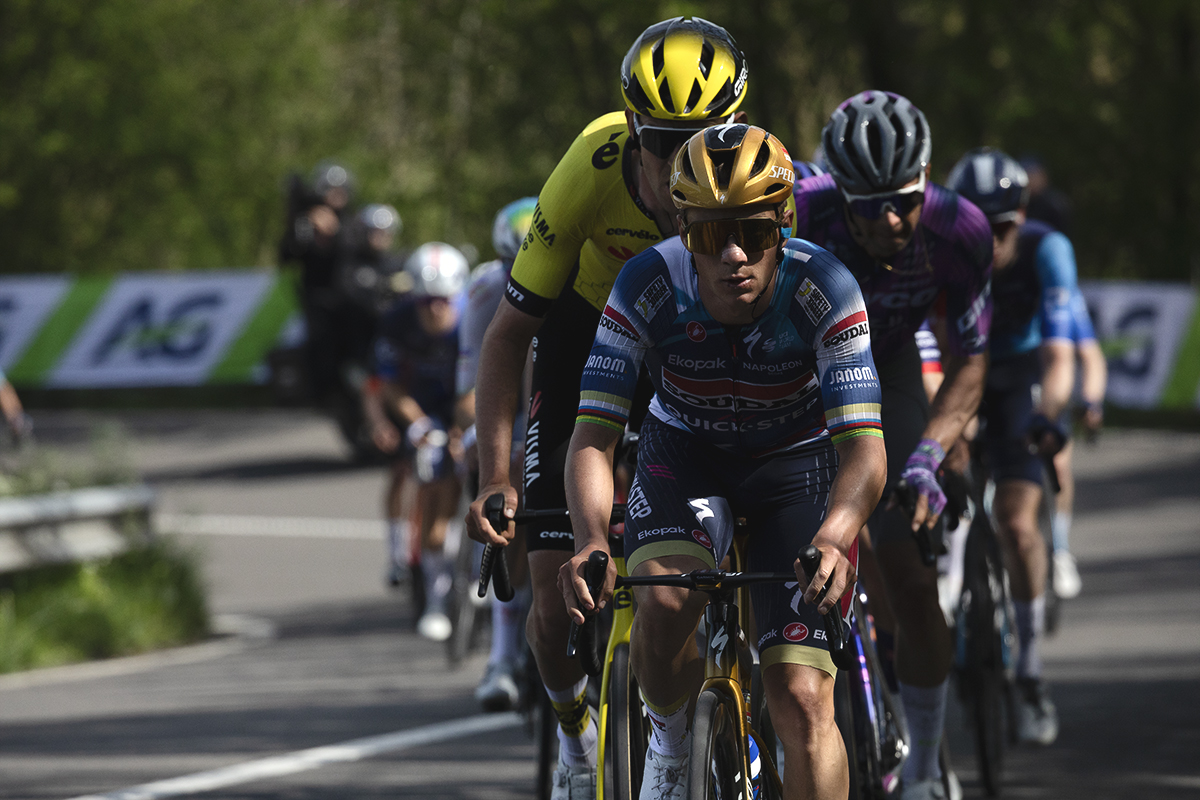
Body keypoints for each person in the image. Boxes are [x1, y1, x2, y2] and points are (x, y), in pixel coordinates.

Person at [465, 17, 752, 799]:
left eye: (703, 139)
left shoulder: (758, 173)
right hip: (588, 330)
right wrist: (497, 478)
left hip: (697, 339)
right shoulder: (590, 167)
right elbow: (506, 338)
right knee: (555, 597)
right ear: (630, 130)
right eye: (662, 143)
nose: (680, 164)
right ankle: (571, 732)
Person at [561, 124, 886, 800]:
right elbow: (593, 436)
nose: (734, 254)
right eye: (711, 235)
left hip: (794, 467)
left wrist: (834, 535)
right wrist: (591, 538)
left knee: (802, 697)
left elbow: (864, 448)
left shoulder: (824, 286)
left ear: (783, 223)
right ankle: (672, 749)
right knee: (664, 597)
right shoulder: (646, 283)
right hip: (687, 453)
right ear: (684, 230)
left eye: (756, 233)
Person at [794, 91, 994, 800]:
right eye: (867, 204)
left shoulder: (959, 229)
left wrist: (931, 454)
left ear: (928, 179)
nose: (887, 221)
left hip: (886, 369)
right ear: (835, 191)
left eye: (902, 202)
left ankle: (924, 767)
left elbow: (971, 358)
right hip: (795, 373)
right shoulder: (798, 209)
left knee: (909, 577)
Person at [948, 146, 1080, 745]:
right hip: (960, 373)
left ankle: (1029, 668)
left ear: (1022, 218)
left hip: (1022, 374)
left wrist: (1049, 415)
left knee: (1018, 526)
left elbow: (1060, 353)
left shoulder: (1048, 249)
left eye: (1002, 226)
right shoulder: (945, 250)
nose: (991, 239)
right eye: (978, 223)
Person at [456, 197, 539, 711]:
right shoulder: (486, 290)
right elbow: (470, 386)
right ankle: (502, 655)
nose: (523, 280)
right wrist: (473, 437)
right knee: (505, 492)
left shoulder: (583, 280)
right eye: (513, 269)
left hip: (563, 409)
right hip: (512, 416)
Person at [365, 242, 470, 641]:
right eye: (425, 301)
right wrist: (418, 424)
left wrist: (464, 426)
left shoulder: (472, 318)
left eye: (443, 300)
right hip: (420, 409)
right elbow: (387, 384)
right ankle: (434, 598)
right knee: (431, 484)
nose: (434, 309)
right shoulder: (395, 322)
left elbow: (482, 380)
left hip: (465, 404)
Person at [279, 161, 358, 406]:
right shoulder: (306, 221)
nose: (336, 196)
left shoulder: (353, 222)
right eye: (330, 190)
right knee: (320, 350)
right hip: (317, 299)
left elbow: (358, 253)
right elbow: (286, 256)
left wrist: (334, 233)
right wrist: (302, 229)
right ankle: (326, 396)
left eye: (341, 190)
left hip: (351, 301)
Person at [1049, 287, 1106, 598]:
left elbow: (1091, 357)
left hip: (1049, 387)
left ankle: (1060, 549)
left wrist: (1092, 402)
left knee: (1058, 464)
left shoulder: (1063, 297)